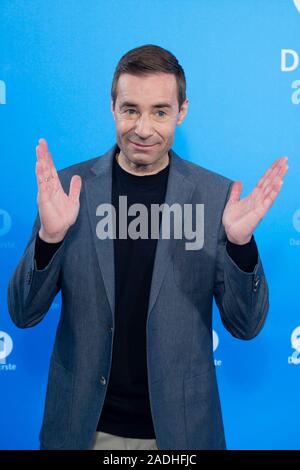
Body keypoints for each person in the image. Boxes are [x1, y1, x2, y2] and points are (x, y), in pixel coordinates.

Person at [7, 44, 288, 450]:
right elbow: (22, 313)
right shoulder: (69, 191)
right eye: (130, 109)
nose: (143, 128)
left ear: (182, 112)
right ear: (113, 107)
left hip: (182, 432)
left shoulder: (216, 198)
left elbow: (246, 326)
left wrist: (240, 244)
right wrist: (50, 239)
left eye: (159, 111)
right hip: (83, 431)